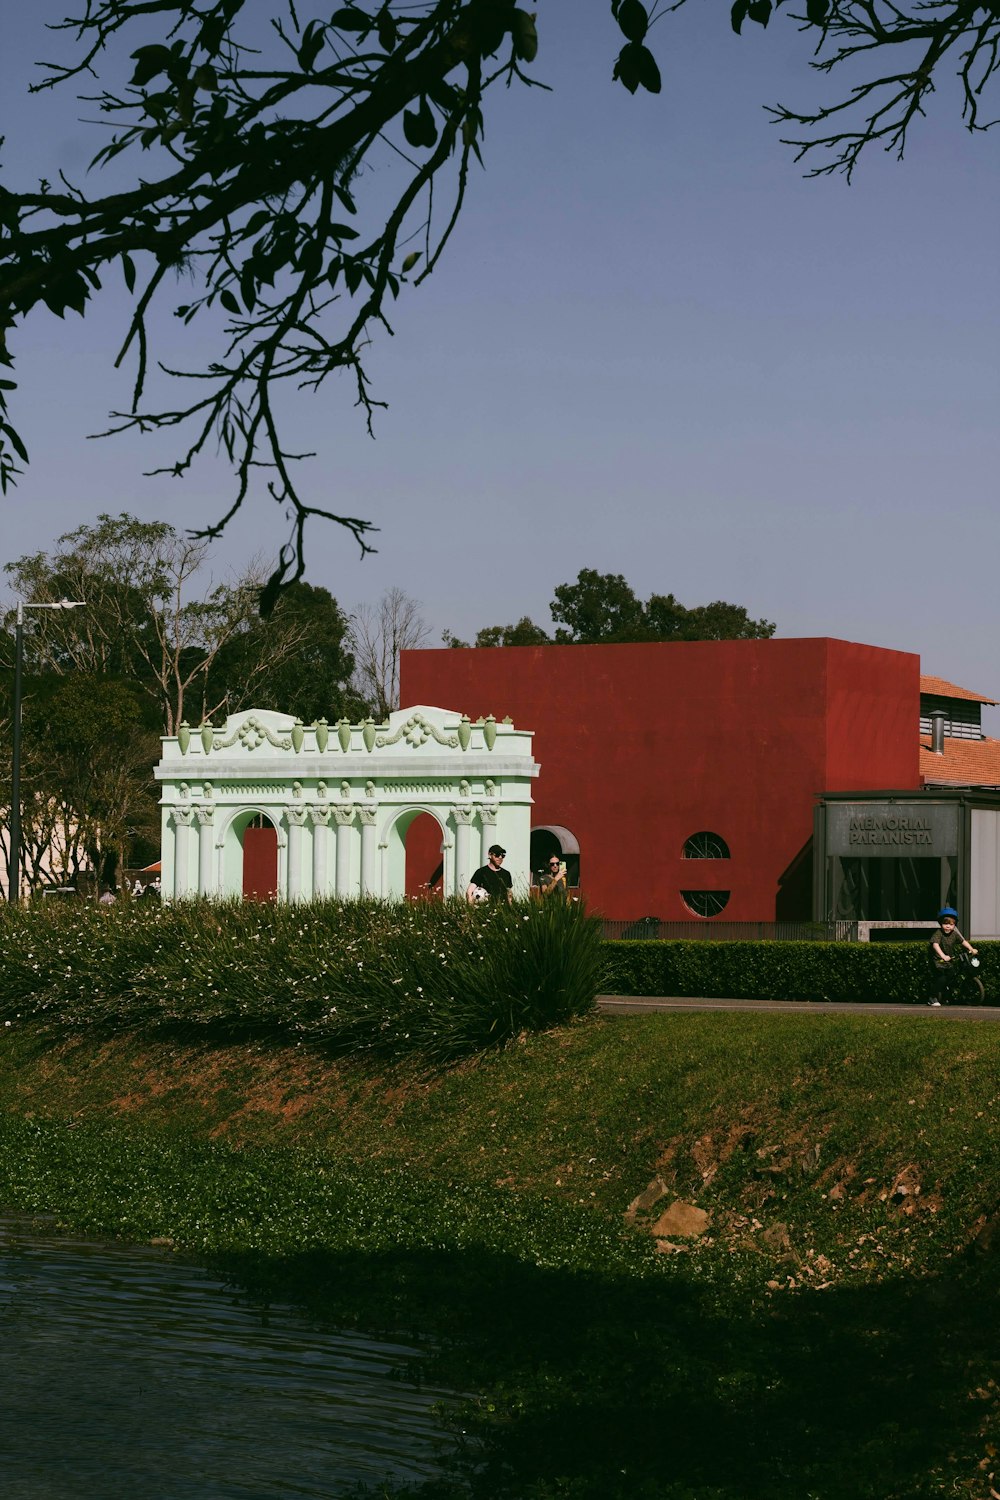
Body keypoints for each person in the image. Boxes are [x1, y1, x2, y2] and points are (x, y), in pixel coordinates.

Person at [928, 906, 978, 1006]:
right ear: (941, 924)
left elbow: (963, 941)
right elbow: (935, 944)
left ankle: (946, 996)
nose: (948, 927)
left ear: (954, 925)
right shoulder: (939, 933)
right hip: (938, 960)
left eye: (951, 924)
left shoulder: (954, 934)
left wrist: (971, 949)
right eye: (945, 924)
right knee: (942, 978)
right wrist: (942, 955)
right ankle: (932, 997)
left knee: (951, 976)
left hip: (948, 960)